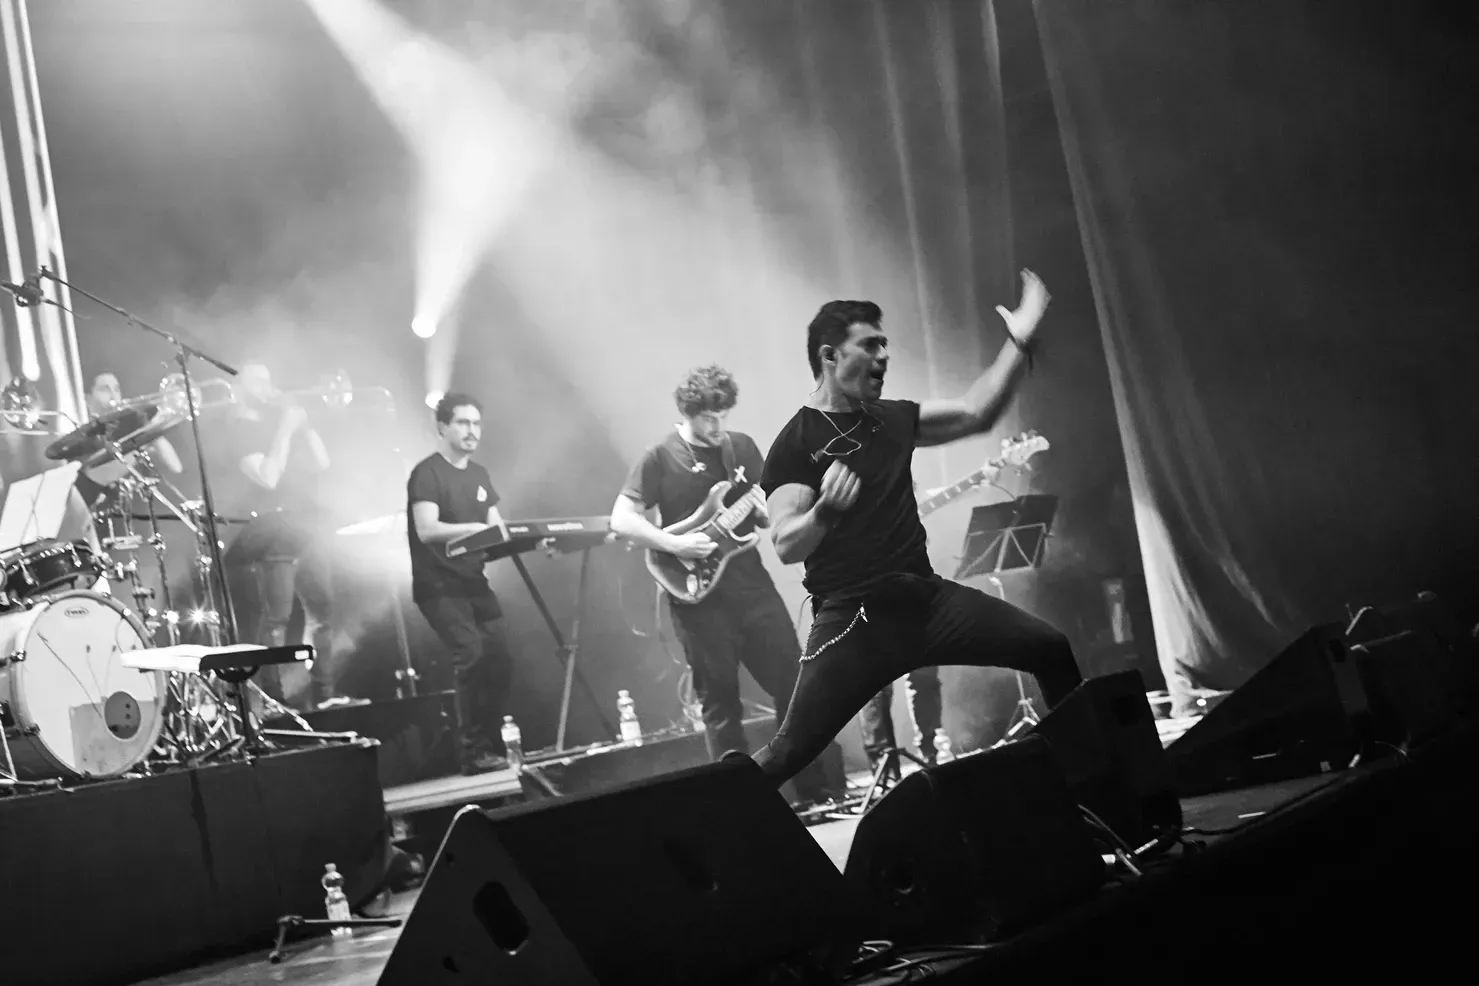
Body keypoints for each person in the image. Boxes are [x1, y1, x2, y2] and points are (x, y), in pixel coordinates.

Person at [750, 270, 1083, 787]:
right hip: (855, 620)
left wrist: (1019, 341)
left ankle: (1096, 793)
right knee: (786, 753)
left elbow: (976, 412)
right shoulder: (796, 442)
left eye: (885, 345)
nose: (884, 356)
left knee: (1051, 648)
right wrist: (825, 513)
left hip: (928, 604)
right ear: (829, 356)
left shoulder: (891, 419)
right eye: (870, 345)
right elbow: (786, 543)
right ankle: (703, 823)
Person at [610, 366, 839, 803]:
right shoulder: (660, 456)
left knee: (794, 684)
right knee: (720, 704)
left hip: (752, 586)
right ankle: (742, 807)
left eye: (723, 416)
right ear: (687, 413)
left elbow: (768, 510)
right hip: (698, 599)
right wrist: (674, 543)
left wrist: (772, 510)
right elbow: (621, 519)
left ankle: (816, 791)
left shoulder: (743, 447)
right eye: (707, 419)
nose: (717, 427)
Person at [407, 392, 516, 776]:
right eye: (463, 423)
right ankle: (472, 752)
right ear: (442, 427)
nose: (472, 431)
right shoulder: (427, 473)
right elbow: (426, 529)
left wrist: (536, 539)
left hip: (474, 583)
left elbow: (496, 529)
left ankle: (490, 743)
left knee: (500, 658)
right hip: (438, 585)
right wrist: (474, 529)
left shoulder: (479, 474)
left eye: (476, 424)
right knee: (471, 653)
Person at [221, 360, 336, 709]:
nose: (267, 388)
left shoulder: (278, 422)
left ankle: (325, 695)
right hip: (272, 529)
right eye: (257, 381)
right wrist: (285, 428)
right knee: (278, 617)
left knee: (322, 610)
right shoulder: (238, 429)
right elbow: (268, 477)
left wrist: (304, 424)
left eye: (268, 380)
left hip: (304, 525)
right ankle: (273, 700)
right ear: (239, 389)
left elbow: (323, 463)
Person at [74, 370, 184, 509]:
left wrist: (152, 429)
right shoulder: (80, 431)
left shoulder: (128, 428)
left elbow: (176, 467)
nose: (114, 396)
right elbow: (95, 472)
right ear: (87, 398)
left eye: (116, 389)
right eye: (105, 390)